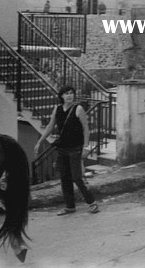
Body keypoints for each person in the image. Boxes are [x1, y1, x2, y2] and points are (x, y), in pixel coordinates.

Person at [35, 86, 99, 215]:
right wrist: (40, 141)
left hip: (75, 148)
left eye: (71, 93)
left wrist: (86, 147)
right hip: (63, 148)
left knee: (77, 177)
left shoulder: (78, 109)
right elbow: (50, 126)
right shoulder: (57, 109)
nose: (69, 96)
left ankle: (92, 202)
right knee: (64, 177)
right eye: (66, 94)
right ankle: (70, 206)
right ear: (62, 96)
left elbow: (86, 129)